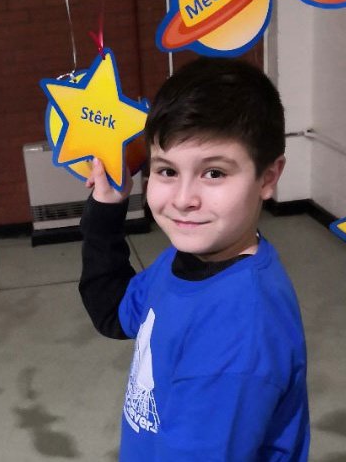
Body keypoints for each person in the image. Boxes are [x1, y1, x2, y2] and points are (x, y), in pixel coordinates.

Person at [79, 57, 310, 461]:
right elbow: (114, 311)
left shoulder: (239, 331)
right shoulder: (184, 263)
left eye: (214, 173)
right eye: (167, 171)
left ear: (268, 178)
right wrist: (106, 207)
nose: (184, 199)